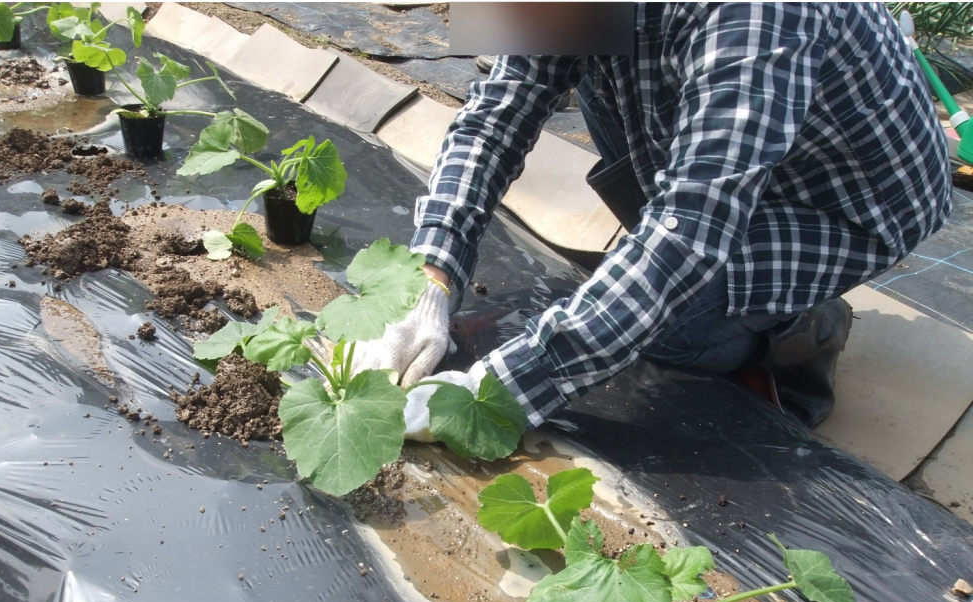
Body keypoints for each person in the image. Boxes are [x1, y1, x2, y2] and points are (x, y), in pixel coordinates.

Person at [353, 2, 952, 433]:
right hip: (736, 138)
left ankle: (805, 324)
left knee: (671, 326)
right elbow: (496, 118)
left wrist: (497, 391)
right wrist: (431, 276)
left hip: (847, 196)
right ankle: (672, 280)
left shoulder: (756, 14)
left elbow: (694, 223)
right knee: (585, 66)